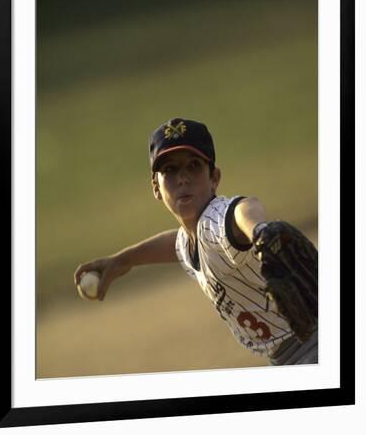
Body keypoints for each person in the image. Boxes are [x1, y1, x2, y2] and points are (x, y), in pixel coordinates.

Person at [74, 118, 318, 366]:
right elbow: (176, 245)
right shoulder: (192, 237)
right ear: (155, 188)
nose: (183, 178)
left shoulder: (216, 220)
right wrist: (122, 260)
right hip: (292, 355)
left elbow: (241, 209)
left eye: (193, 166)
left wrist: (258, 230)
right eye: (169, 170)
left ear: (214, 178)